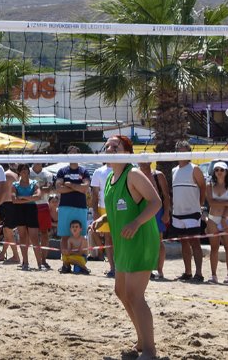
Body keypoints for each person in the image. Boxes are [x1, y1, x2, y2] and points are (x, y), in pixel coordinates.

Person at [92, 135, 161, 359]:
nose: (110, 148)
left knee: (134, 294)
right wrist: (105, 220)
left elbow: (156, 202)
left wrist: (136, 222)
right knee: (121, 292)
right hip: (123, 241)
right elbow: (120, 209)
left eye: (116, 146)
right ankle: (142, 339)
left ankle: (150, 350)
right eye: (108, 146)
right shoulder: (112, 177)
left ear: (128, 152)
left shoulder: (133, 174)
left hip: (140, 239)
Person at [170, 140, 206, 282]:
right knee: (184, 243)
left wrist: (200, 205)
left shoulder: (194, 168)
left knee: (195, 243)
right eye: (178, 150)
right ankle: (188, 272)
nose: (181, 153)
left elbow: (203, 187)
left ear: (189, 152)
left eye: (183, 150)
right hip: (178, 213)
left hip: (192, 212)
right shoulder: (174, 170)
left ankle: (199, 273)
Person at [55, 146, 91, 274]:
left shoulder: (84, 171)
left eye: (75, 153)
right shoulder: (62, 171)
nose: (73, 155)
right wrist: (77, 187)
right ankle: (65, 264)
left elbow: (85, 188)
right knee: (64, 236)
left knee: (81, 236)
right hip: (65, 206)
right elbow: (59, 189)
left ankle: (80, 263)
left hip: (80, 206)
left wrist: (70, 185)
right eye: (71, 153)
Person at [138, 161, 171, 281]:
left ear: (150, 161)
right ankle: (147, 268)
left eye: (145, 160)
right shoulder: (136, 175)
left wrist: (166, 212)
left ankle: (159, 269)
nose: (142, 162)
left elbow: (166, 196)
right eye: (140, 160)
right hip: (141, 210)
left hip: (157, 211)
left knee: (158, 241)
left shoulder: (158, 175)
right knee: (143, 242)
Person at [11, 164, 43, 271]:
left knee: (34, 238)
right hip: (19, 211)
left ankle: (40, 263)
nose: (24, 171)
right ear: (19, 172)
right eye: (22, 170)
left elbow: (38, 196)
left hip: (31, 210)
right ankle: (25, 262)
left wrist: (23, 197)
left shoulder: (34, 183)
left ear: (29, 171)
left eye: (26, 169)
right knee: (23, 237)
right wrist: (30, 198)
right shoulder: (15, 184)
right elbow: (14, 200)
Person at [204, 161, 228, 284]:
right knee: (214, 248)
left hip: (226, 219)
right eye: (217, 169)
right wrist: (225, 203)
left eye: (222, 170)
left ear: (226, 171)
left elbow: (215, 202)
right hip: (213, 218)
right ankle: (214, 276)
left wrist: (224, 218)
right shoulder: (209, 185)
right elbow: (211, 203)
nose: (219, 172)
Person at [90, 163, 115, 277]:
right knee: (108, 238)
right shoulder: (98, 171)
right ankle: (112, 268)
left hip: (119, 207)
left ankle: (120, 267)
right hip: (104, 208)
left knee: (119, 238)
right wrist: (95, 211)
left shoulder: (125, 167)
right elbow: (94, 194)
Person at [29, 162, 54, 270]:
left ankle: (43, 260)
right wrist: (41, 189)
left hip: (43, 205)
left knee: (44, 233)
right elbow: (25, 189)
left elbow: (48, 190)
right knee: (28, 234)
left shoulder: (48, 174)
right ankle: (27, 261)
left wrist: (34, 190)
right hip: (30, 205)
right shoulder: (27, 172)